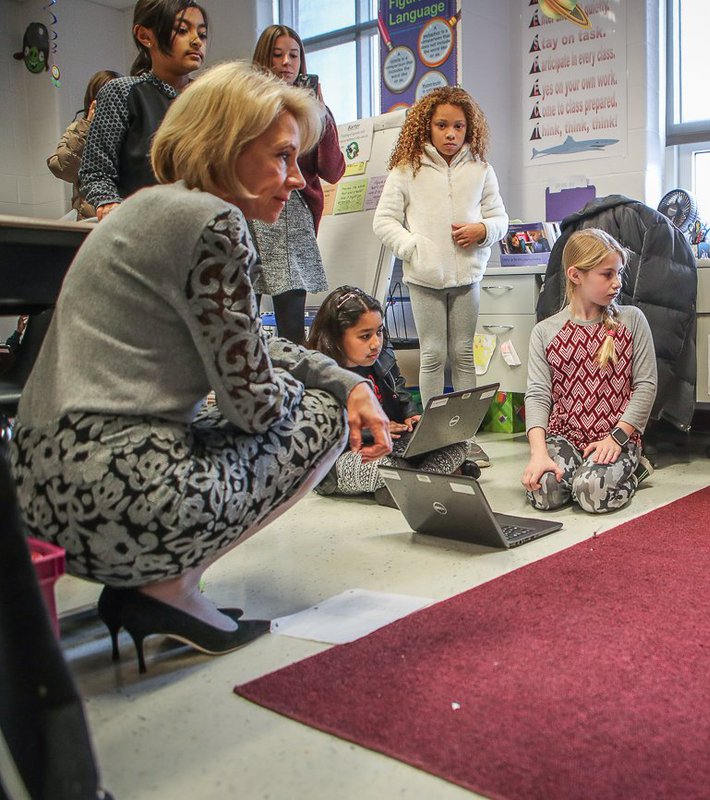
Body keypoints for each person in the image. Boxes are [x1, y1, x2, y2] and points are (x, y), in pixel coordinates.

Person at [7, 61, 391, 674]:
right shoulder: (214, 222)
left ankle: (155, 584)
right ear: (225, 146)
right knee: (317, 419)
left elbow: (253, 347)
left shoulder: (149, 208)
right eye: (282, 157)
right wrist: (336, 394)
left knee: (311, 397)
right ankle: (167, 590)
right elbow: (257, 404)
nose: (296, 179)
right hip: (115, 489)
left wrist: (345, 377)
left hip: (39, 488)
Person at [373, 86, 508, 467]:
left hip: (468, 276)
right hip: (424, 278)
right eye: (442, 125)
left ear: (470, 130)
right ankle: (434, 438)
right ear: (427, 127)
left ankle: (464, 438)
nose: (451, 134)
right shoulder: (406, 169)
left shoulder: (481, 169)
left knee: (463, 354)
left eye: (459, 127)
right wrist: (413, 247)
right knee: (433, 355)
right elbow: (383, 221)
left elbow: (500, 218)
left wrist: (483, 231)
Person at [522, 229, 657, 514]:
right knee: (544, 493)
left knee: (591, 493)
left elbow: (645, 386)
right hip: (564, 436)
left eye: (619, 273)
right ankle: (580, 472)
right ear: (575, 275)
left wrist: (618, 437)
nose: (617, 283)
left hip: (616, 436)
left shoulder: (631, 321)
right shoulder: (545, 332)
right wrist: (539, 454)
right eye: (607, 274)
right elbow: (537, 395)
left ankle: (635, 472)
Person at [306, 285, 478, 507]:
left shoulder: (382, 357)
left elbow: (400, 390)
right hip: (343, 459)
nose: (376, 343)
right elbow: (325, 434)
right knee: (387, 467)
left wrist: (412, 415)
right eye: (365, 336)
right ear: (336, 338)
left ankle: (409, 487)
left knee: (461, 443)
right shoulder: (321, 375)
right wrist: (374, 431)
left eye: (379, 332)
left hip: (394, 445)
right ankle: (433, 478)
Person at [248, 25, 346, 344]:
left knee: (291, 327)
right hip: (250, 211)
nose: (286, 63)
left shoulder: (311, 111)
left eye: (294, 55)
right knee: (240, 316)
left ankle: (293, 392)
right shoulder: (245, 105)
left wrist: (321, 114)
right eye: (277, 55)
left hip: (293, 217)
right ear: (263, 60)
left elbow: (332, 170)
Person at [79, 0, 208, 222]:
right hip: (142, 230)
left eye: (202, 34)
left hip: (203, 230)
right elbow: (95, 171)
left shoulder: (212, 101)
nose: (196, 41)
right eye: (182, 30)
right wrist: (111, 206)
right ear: (145, 36)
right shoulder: (122, 93)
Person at [46, 69, 121, 220]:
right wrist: (87, 126)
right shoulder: (79, 129)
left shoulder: (131, 130)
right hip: (90, 220)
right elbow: (62, 168)